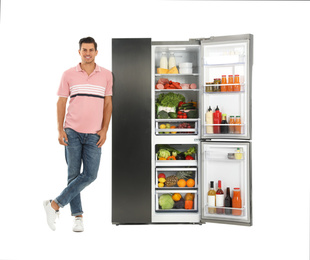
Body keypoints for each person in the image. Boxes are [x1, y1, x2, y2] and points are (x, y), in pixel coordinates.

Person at [43, 37, 113, 232]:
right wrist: (59, 129)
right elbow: (61, 102)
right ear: (79, 52)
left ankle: (54, 205)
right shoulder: (68, 74)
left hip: (94, 134)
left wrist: (105, 129)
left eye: (91, 50)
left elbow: (108, 104)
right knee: (73, 175)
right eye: (84, 50)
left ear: (96, 52)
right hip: (71, 131)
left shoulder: (106, 75)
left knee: (90, 175)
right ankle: (78, 217)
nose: (88, 53)